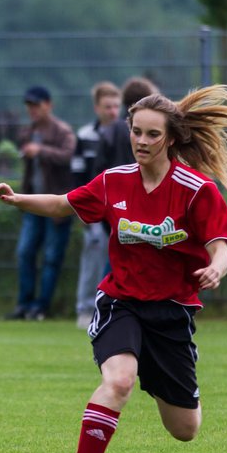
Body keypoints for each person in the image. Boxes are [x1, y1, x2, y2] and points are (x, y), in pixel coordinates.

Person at [0, 85, 227, 453]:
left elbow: (220, 249)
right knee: (117, 381)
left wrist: (215, 269)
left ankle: (156, 368)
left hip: (171, 312)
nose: (142, 141)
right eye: (137, 132)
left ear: (170, 138)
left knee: (185, 430)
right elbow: (63, 203)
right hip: (122, 302)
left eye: (153, 134)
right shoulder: (114, 181)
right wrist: (16, 198)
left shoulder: (196, 190)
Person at [7, 85, 77, 321]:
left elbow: (68, 156)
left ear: (49, 105)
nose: (32, 110)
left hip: (57, 206)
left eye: (36, 105)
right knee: (24, 253)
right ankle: (24, 304)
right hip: (31, 204)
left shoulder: (63, 132)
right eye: (29, 106)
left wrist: (41, 151)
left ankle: (41, 307)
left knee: (51, 258)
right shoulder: (27, 132)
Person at [73, 81, 122, 329]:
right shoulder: (85, 136)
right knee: (93, 253)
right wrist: (82, 208)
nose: (113, 112)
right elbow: (78, 174)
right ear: (97, 108)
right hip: (94, 208)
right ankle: (84, 308)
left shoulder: (127, 134)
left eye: (116, 106)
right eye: (107, 107)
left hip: (119, 210)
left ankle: (109, 308)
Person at [95, 76, 159, 173]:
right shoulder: (154, 130)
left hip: (112, 184)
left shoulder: (110, 130)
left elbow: (99, 166)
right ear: (148, 101)